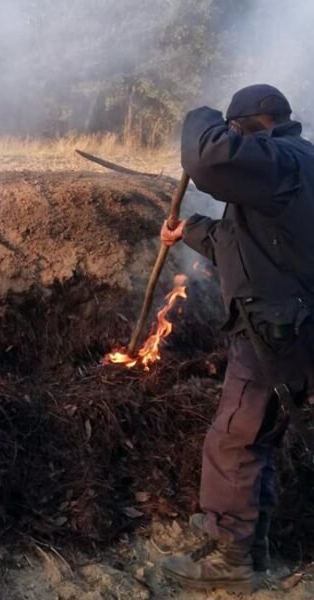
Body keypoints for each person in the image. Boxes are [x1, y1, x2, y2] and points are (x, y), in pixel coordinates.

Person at [160, 84, 314, 592]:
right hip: (288, 322)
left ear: (248, 125)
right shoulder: (296, 164)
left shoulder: (281, 160)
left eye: (233, 129)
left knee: (234, 440)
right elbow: (244, 241)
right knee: (259, 439)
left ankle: (232, 561)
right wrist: (188, 229)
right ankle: (254, 542)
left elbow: (205, 159)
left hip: (273, 332)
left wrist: (203, 116)